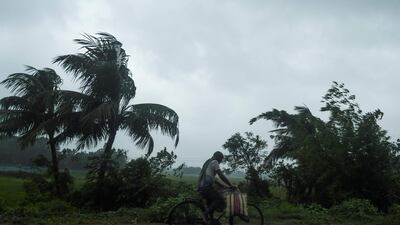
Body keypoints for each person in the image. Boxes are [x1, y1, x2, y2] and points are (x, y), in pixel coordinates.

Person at [198, 151, 234, 222]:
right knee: (219, 199)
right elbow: (221, 175)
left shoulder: (208, 162)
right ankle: (205, 214)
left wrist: (226, 186)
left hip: (201, 187)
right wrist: (230, 185)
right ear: (218, 157)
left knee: (211, 205)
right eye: (221, 159)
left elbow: (214, 180)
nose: (220, 161)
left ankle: (210, 221)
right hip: (206, 188)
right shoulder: (215, 162)